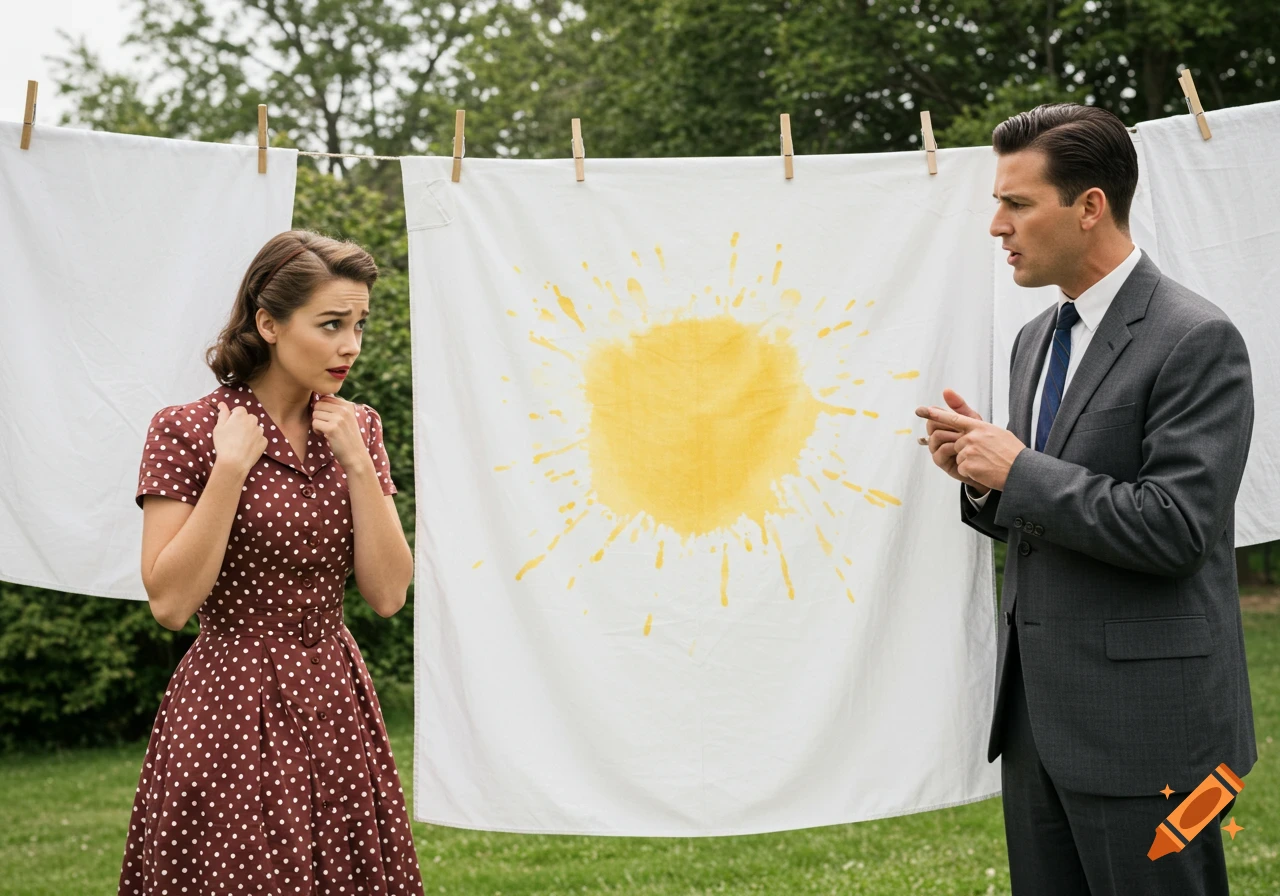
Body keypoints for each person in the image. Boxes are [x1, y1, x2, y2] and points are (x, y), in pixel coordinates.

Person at [917, 104, 1255, 895]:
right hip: (1040, 726)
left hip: (1151, 736)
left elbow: (1176, 529)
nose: (997, 225)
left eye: (1018, 202)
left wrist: (1021, 469)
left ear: (1090, 206)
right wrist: (981, 474)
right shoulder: (1037, 339)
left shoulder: (1195, 339)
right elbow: (1051, 512)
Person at [119, 230, 424, 895]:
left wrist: (357, 466)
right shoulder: (188, 430)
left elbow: (388, 593)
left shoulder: (357, 426)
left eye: (360, 325)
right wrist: (230, 470)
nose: (351, 345)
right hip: (232, 700)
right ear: (269, 323)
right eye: (332, 324)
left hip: (335, 697)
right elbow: (170, 605)